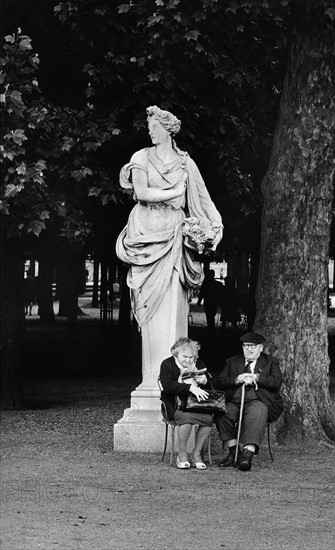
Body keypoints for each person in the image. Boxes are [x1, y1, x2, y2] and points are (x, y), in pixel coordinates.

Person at [116, 106, 223, 390]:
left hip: (174, 236)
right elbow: (141, 193)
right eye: (149, 126)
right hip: (145, 231)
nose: (150, 131)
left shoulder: (186, 164)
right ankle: (151, 385)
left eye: (155, 126)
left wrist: (216, 226)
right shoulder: (140, 157)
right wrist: (176, 192)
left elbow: (204, 199)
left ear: (168, 129)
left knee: (173, 301)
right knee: (147, 303)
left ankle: (172, 385)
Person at [214, 331, 283, 471]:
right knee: (222, 413)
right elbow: (219, 382)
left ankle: (247, 454)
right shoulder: (232, 361)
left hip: (258, 400)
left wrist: (256, 377)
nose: (249, 349)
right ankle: (233, 452)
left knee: (257, 413)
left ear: (261, 348)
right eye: (246, 346)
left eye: (253, 346)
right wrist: (237, 378)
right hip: (234, 400)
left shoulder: (271, 362)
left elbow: (276, 383)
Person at [159, 337, 213, 470]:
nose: (188, 360)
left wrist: (205, 381)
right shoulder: (167, 364)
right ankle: (182, 455)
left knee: (208, 419)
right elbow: (167, 386)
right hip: (173, 405)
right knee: (187, 419)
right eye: (185, 357)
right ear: (176, 353)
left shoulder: (198, 363)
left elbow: (211, 385)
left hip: (196, 404)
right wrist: (189, 388)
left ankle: (196, 454)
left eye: (191, 357)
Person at [197, 269, 223, 338]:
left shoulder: (206, 284)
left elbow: (202, 292)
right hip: (214, 302)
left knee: (209, 316)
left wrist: (199, 301)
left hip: (208, 301)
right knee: (212, 315)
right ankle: (212, 330)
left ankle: (210, 330)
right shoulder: (216, 284)